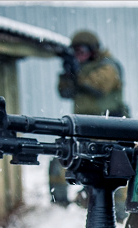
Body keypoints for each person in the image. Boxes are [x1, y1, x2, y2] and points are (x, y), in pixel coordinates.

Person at [51, 30, 129, 212]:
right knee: (60, 160)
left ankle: (120, 213)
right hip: (83, 128)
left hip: (109, 127)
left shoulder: (108, 66)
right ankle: (59, 207)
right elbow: (65, 92)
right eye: (75, 52)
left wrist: (76, 72)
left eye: (82, 51)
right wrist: (67, 72)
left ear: (93, 50)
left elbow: (98, 86)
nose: (79, 56)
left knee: (117, 167)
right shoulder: (79, 70)